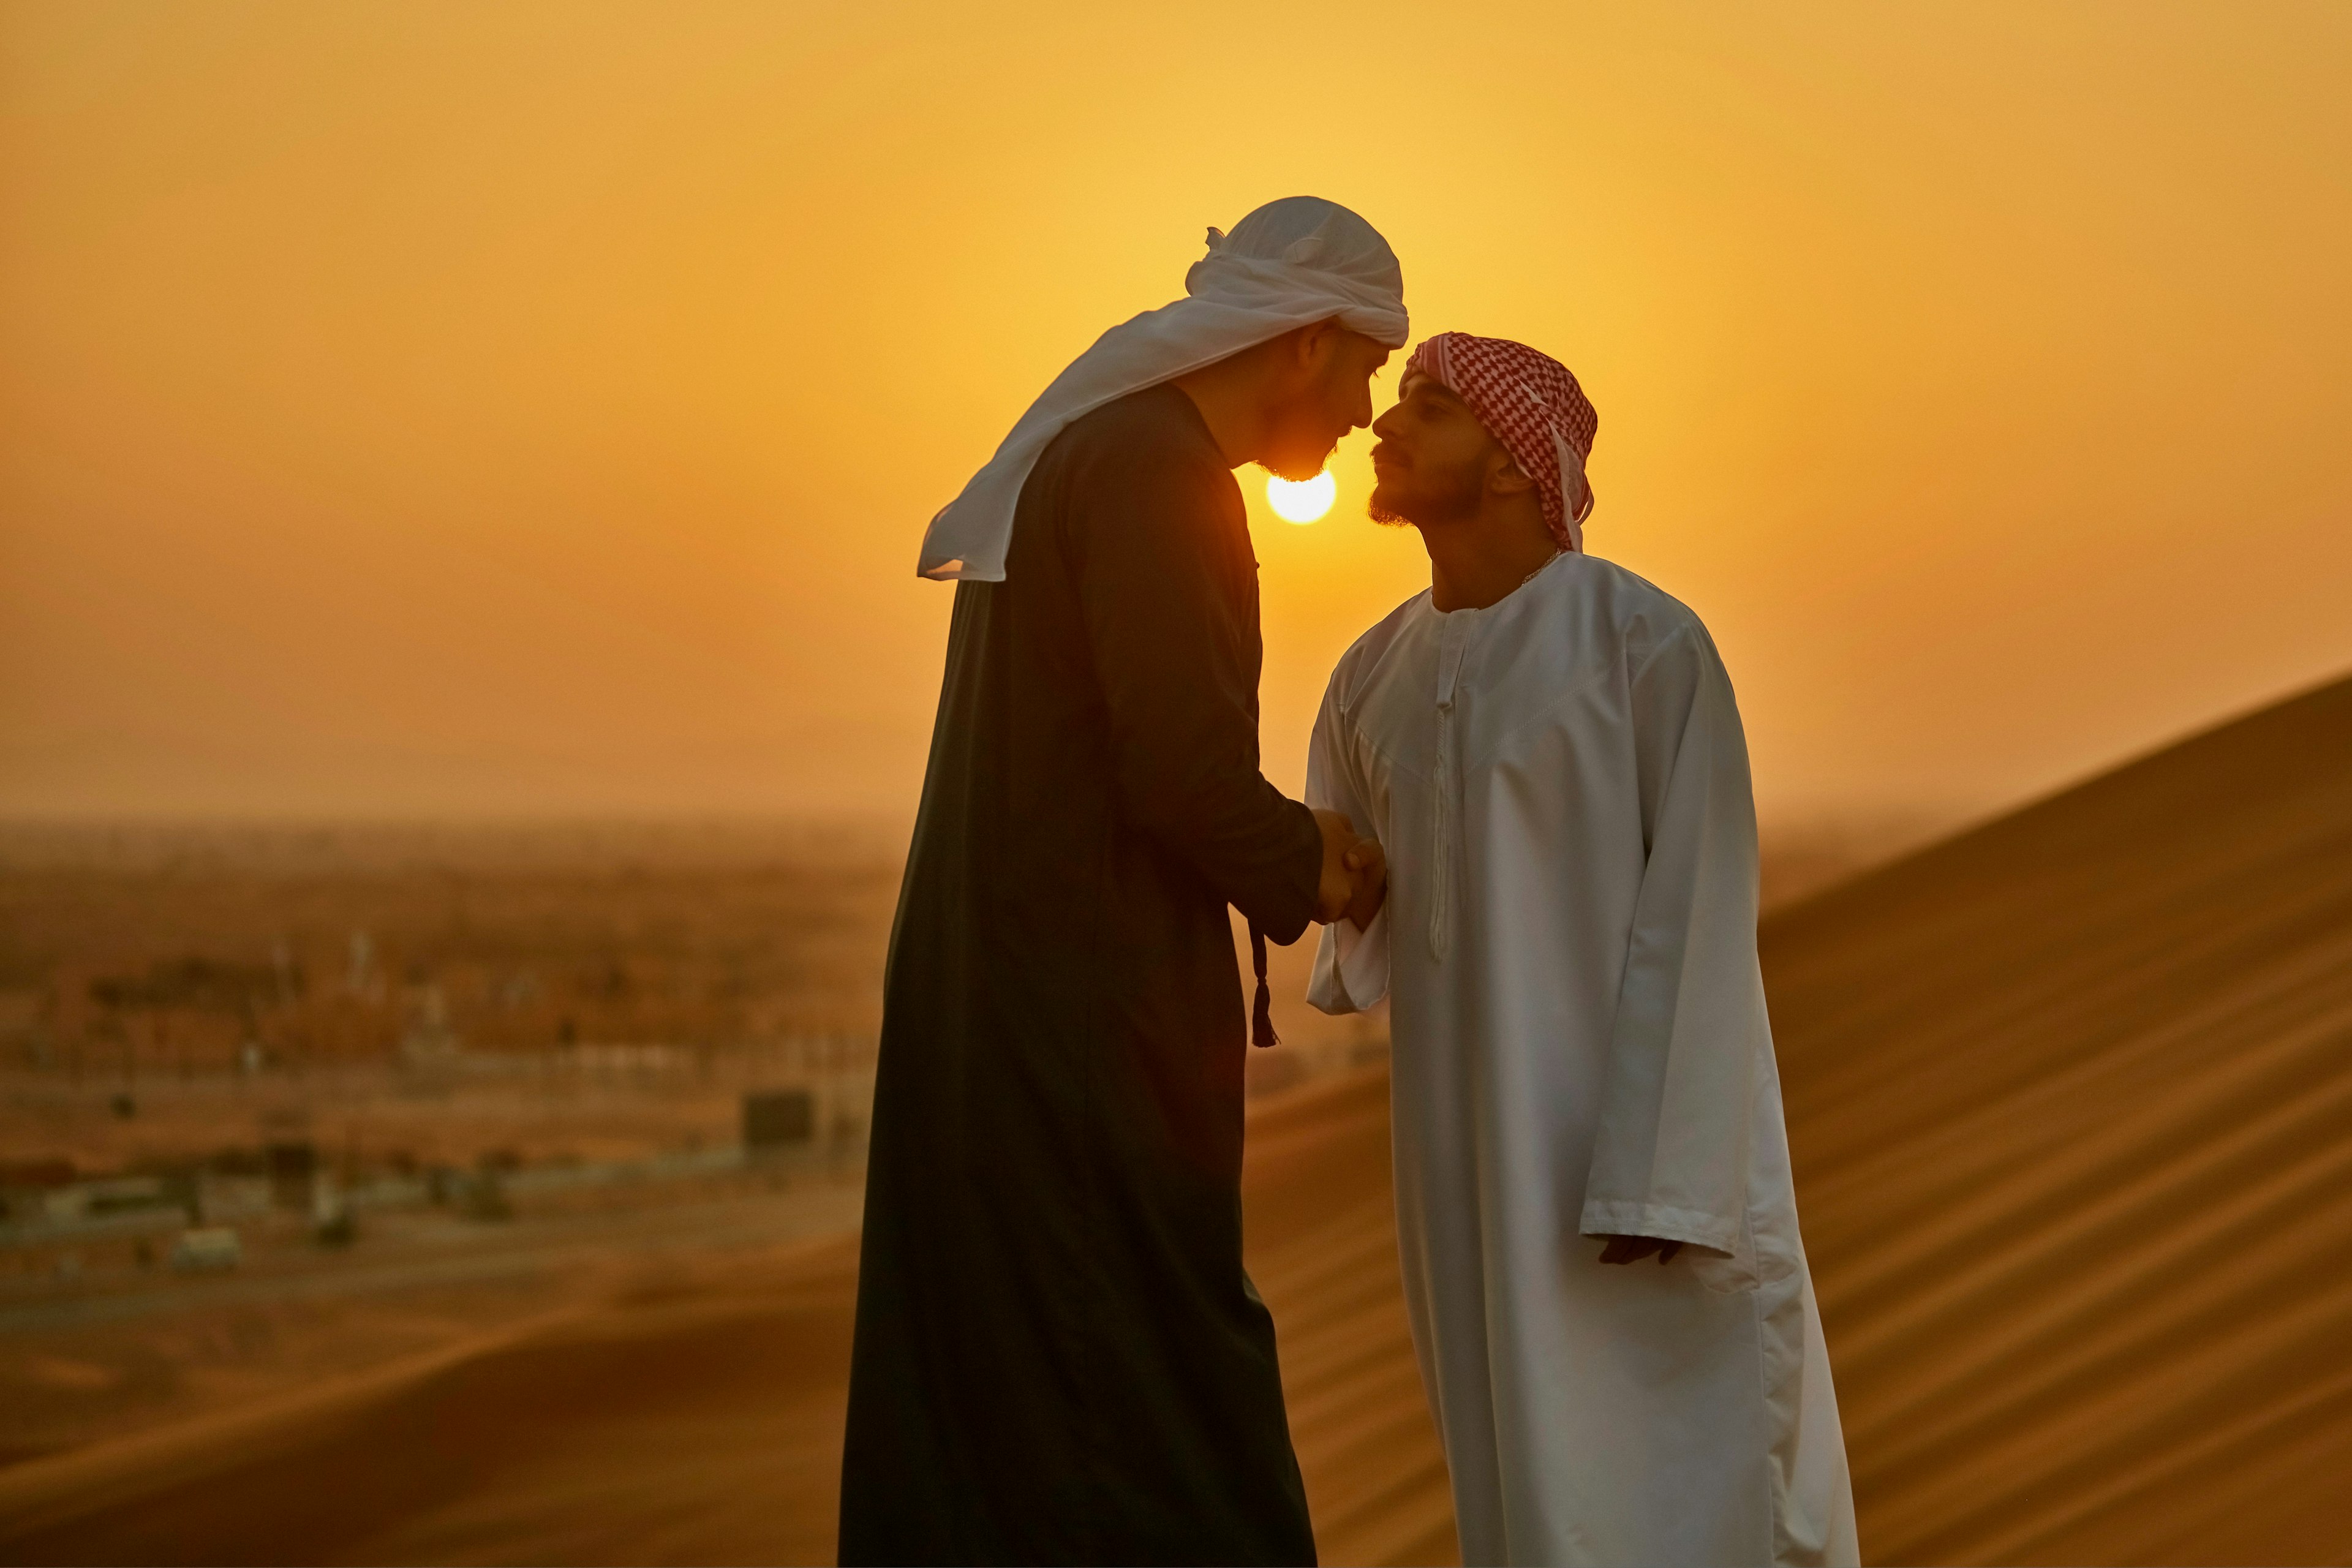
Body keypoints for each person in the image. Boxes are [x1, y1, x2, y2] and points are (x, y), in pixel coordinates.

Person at [839, 197, 1398, 1566]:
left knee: (1018, 1400)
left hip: (1019, 1001)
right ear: (1305, 344)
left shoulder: (1103, 456)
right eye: (1370, 366)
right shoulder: (1158, 475)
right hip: (1081, 1026)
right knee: (1150, 1404)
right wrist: (1315, 862)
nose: (1370, 411)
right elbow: (1182, 780)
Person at [1304, 332, 1858, 1566]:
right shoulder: (1369, 674)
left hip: (1641, 1172)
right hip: (1465, 1166)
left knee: (1695, 1467)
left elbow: (1701, 907)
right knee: (1520, 1469)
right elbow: (1358, 901)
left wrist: (1664, 1172)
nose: (1388, 429)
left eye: (1429, 408)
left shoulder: (1645, 645)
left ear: (1513, 463)